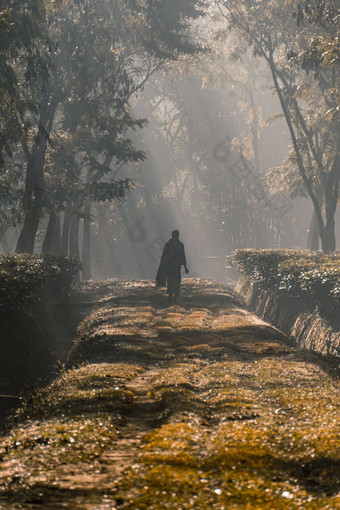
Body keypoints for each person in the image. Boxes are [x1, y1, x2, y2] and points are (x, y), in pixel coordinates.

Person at [156, 230, 189, 303]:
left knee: (172, 280)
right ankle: (173, 295)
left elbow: (164, 256)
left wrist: (163, 265)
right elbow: (183, 256)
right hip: (175, 266)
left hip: (171, 266)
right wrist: (185, 266)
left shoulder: (169, 244)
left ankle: (172, 294)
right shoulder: (180, 245)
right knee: (174, 280)